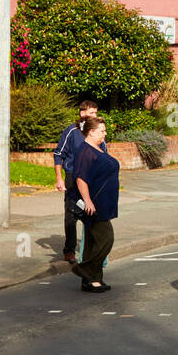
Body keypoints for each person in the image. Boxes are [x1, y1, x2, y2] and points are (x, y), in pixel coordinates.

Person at [69, 116, 119, 294]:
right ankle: (84, 269)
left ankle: (92, 280)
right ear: (91, 132)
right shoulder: (85, 151)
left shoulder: (96, 148)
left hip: (102, 203)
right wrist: (88, 200)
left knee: (92, 242)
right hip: (93, 204)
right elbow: (81, 178)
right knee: (106, 239)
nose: (105, 134)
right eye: (101, 131)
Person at [54, 100, 98, 262]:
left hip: (92, 177)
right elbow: (58, 154)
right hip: (73, 176)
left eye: (95, 112)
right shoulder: (71, 132)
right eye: (91, 113)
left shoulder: (97, 132)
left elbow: (103, 154)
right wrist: (59, 179)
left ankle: (91, 250)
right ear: (82, 113)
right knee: (71, 213)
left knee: (92, 212)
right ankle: (69, 250)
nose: (94, 116)